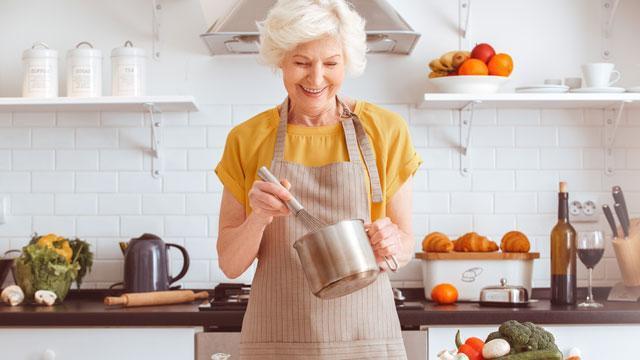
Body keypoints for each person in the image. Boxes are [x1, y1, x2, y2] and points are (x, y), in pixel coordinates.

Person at [215, 0, 422, 358]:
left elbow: (404, 245)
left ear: (348, 62)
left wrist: (393, 242)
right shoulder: (246, 139)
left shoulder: (386, 131)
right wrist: (260, 216)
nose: (316, 78)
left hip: (366, 341)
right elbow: (231, 265)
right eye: (301, 63)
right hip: (276, 342)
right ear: (280, 59)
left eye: (330, 63)